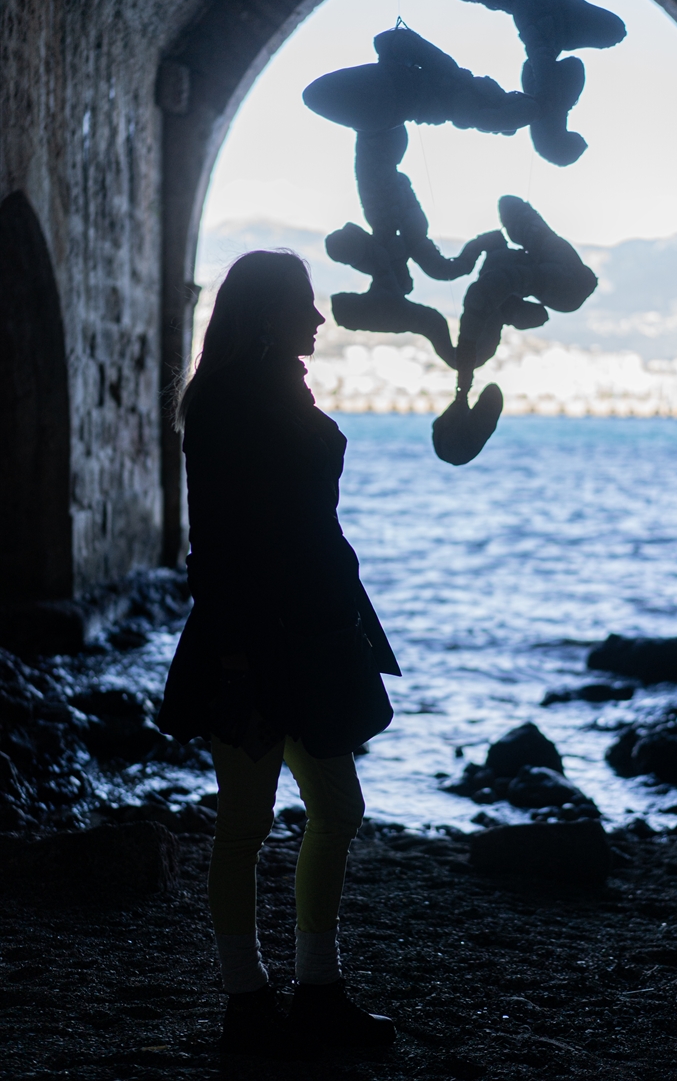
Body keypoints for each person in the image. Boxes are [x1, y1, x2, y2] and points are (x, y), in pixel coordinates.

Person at [157, 250, 401, 1058]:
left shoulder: (275, 391)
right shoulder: (228, 403)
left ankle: (315, 990)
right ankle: (250, 1002)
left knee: (334, 809)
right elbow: (218, 540)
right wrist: (234, 655)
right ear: (267, 313)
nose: (320, 316)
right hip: (256, 641)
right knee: (245, 822)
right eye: (305, 302)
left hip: (310, 635)